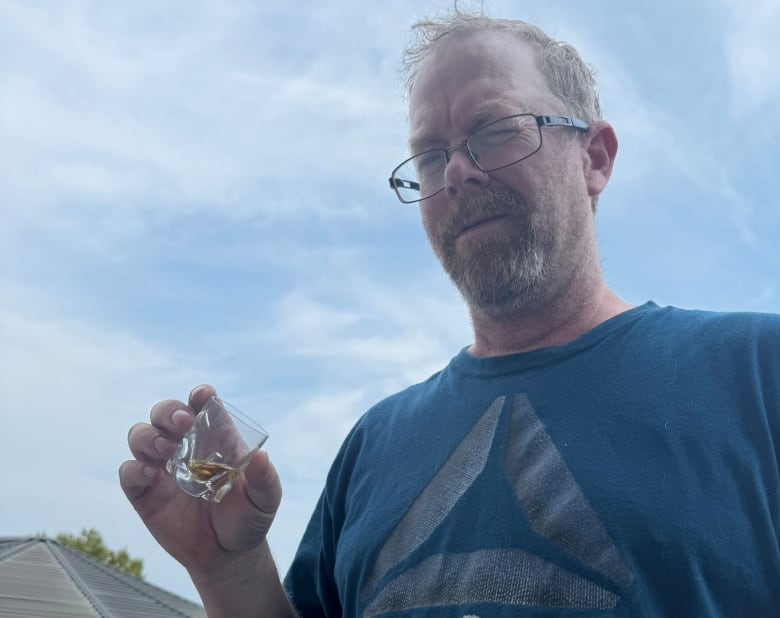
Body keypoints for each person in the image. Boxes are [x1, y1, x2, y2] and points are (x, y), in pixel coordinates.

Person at [120, 8, 780, 617]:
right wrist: (228, 568)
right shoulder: (373, 444)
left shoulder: (757, 374)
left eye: (493, 131)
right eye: (431, 155)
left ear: (596, 158)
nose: (457, 171)